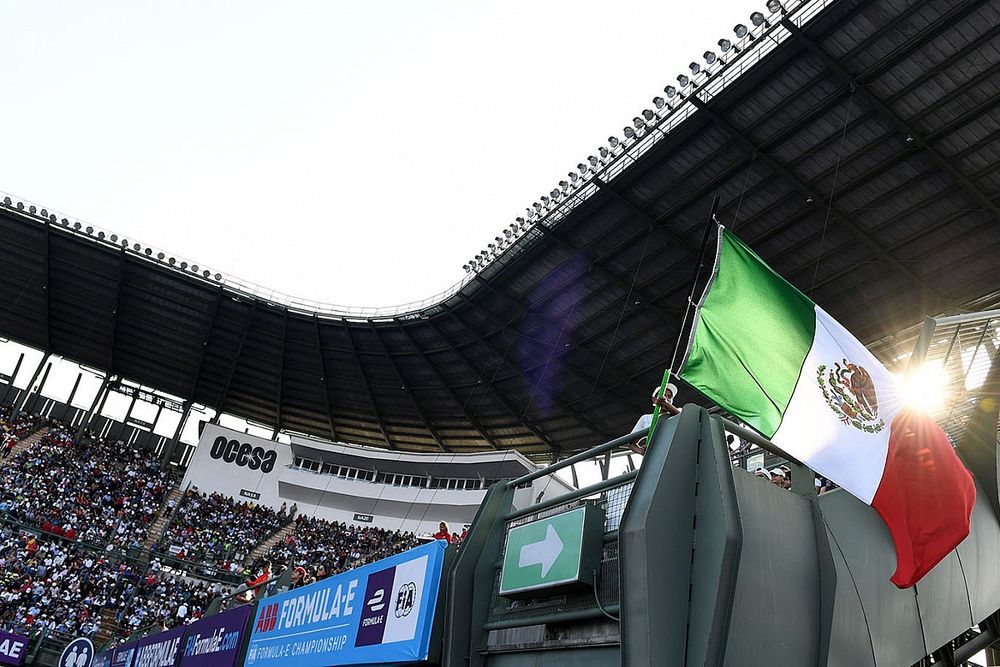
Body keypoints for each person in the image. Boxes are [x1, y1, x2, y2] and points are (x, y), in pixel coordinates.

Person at [630, 383, 680, 454]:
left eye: (669, 396)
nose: (666, 398)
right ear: (654, 399)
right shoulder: (646, 418)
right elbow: (631, 443)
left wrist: (666, 404)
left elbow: (683, 419)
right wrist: (641, 451)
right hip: (656, 455)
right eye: (663, 395)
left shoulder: (679, 411)